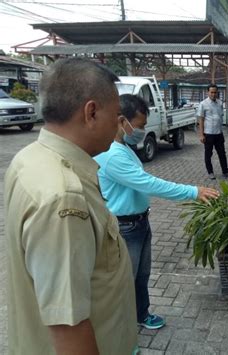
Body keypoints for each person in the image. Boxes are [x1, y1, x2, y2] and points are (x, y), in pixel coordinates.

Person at [4, 58, 138, 354]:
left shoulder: (30, 157)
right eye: (115, 115)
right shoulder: (64, 196)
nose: (119, 125)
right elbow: (68, 325)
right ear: (91, 112)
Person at [94, 94, 219, 330]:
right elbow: (148, 183)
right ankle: (120, 332)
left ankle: (141, 315)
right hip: (123, 228)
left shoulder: (124, 147)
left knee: (141, 277)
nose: (141, 130)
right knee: (123, 282)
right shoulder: (111, 154)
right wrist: (193, 191)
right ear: (122, 121)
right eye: (139, 126)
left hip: (139, 223)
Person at [197, 83, 228, 180]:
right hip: (208, 134)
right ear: (208, 92)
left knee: (222, 154)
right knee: (208, 154)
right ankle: (210, 172)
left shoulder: (220, 103)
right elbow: (200, 119)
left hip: (218, 134)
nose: (214, 94)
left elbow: (220, 117)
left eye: (215, 92)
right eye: (212, 92)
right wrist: (201, 134)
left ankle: (225, 172)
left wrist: (222, 131)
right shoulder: (203, 104)